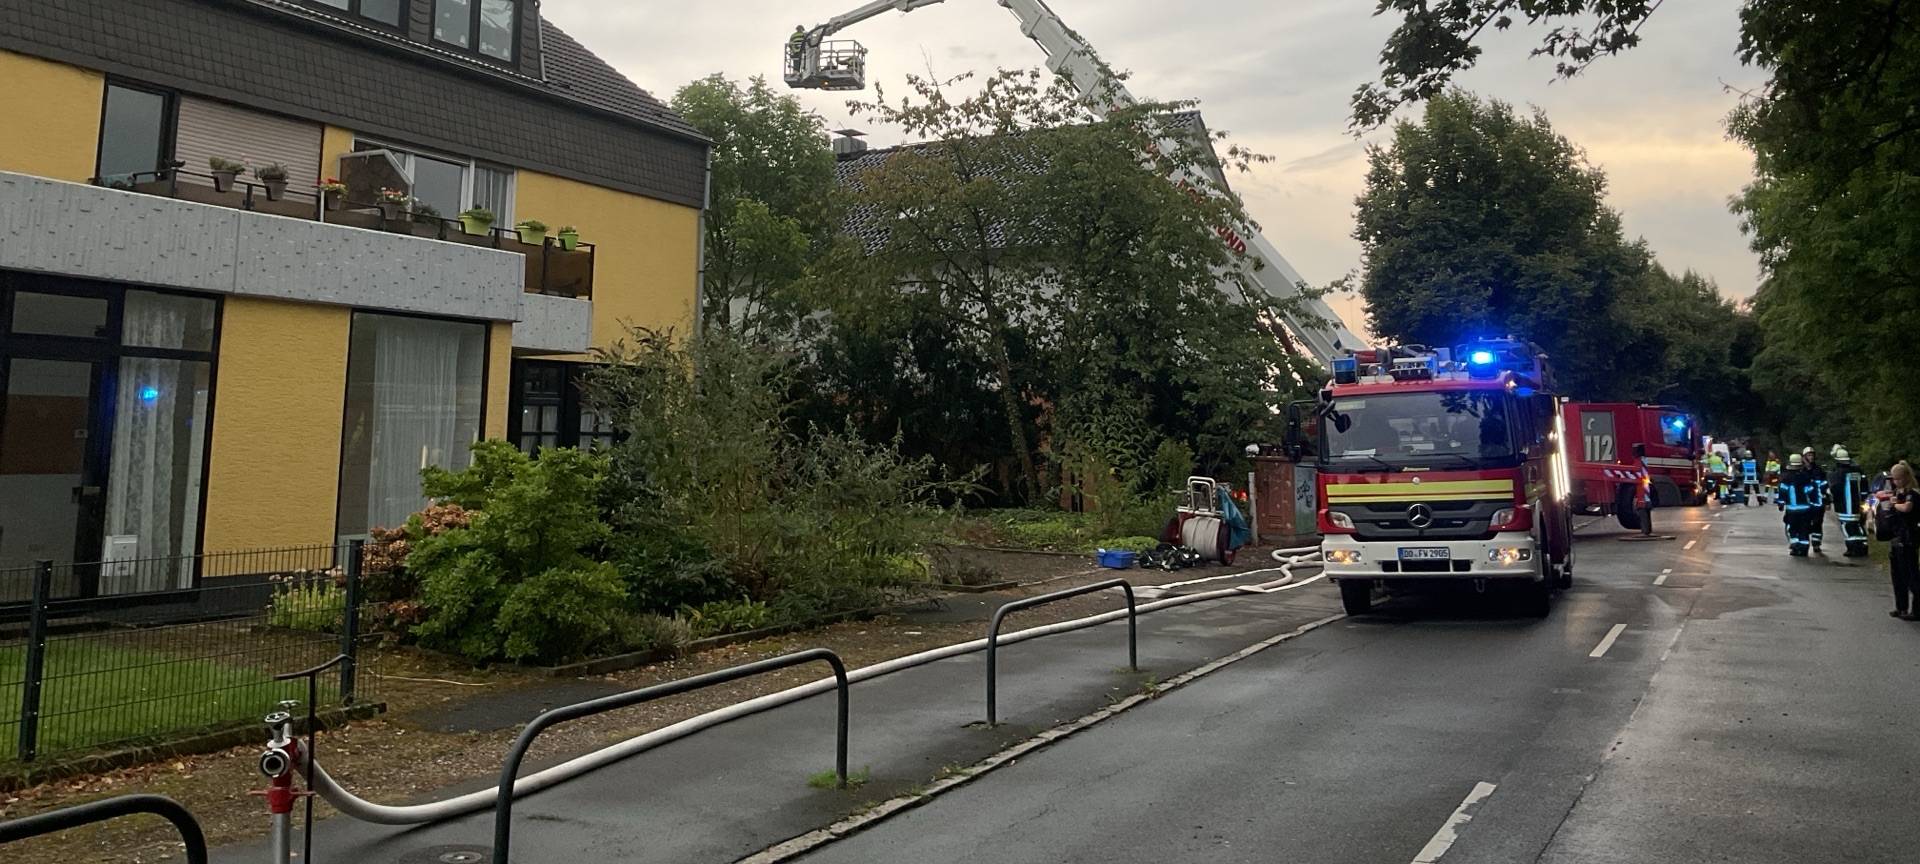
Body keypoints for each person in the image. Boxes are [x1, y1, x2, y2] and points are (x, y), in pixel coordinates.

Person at [1885, 461, 1920, 619]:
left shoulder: (1913, 493)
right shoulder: (1897, 492)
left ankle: (1917, 610)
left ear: (1905, 477)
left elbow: (1907, 508)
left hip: (1908, 538)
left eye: (1898, 479)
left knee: (1910, 575)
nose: (1895, 482)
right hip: (1896, 536)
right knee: (1897, 575)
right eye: (1894, 479)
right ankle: (1901, 607)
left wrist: (1895, 505)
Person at [1830, 447, 1869, 557]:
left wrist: (1831, 499)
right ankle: (1863, 547)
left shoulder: (1838, 473)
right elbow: (1865, 485)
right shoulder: (1858, 471)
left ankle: (1853, 549)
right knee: (1859, 525)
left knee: (1847, 527)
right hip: (1858, 505)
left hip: (1844, 506)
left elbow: (1835, 489)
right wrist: (1864, 499)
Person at [1779, 453, 1821, 556]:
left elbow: (1782, 492)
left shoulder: (1786, 478)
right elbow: (1811, 491)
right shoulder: (1805, 477)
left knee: (1792, 529)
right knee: (1804, 529)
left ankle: (1795, 546)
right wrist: (1815, 504)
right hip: (1805, 509)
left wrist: (1781, 503)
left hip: (1791, 510)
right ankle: (1804, 548)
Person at [1802, 446, 1826, 552]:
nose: (1811, 457)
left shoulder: (1818, 470)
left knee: (1817, 523)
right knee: (1804, 523)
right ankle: (1804, 543)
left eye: (1812, 455)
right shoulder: (1800, 470)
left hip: (1818, 502)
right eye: (1809, 455)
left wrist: (1827, 500)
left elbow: (1824, 485)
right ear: (1804, 457)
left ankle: (1816, 544)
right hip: (1804, 502)